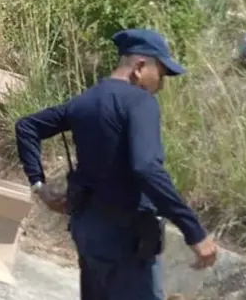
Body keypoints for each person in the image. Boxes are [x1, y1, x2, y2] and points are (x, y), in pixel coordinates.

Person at [14, 29, 218, 300]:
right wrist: (193, 230)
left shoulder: (85, 101)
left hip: (87, 228)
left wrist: (39, 186)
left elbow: (26, 126)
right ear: (140, 67)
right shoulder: (140, 102)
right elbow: (147, 168)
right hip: (125, 236)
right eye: (161, 73)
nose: (162, 85)